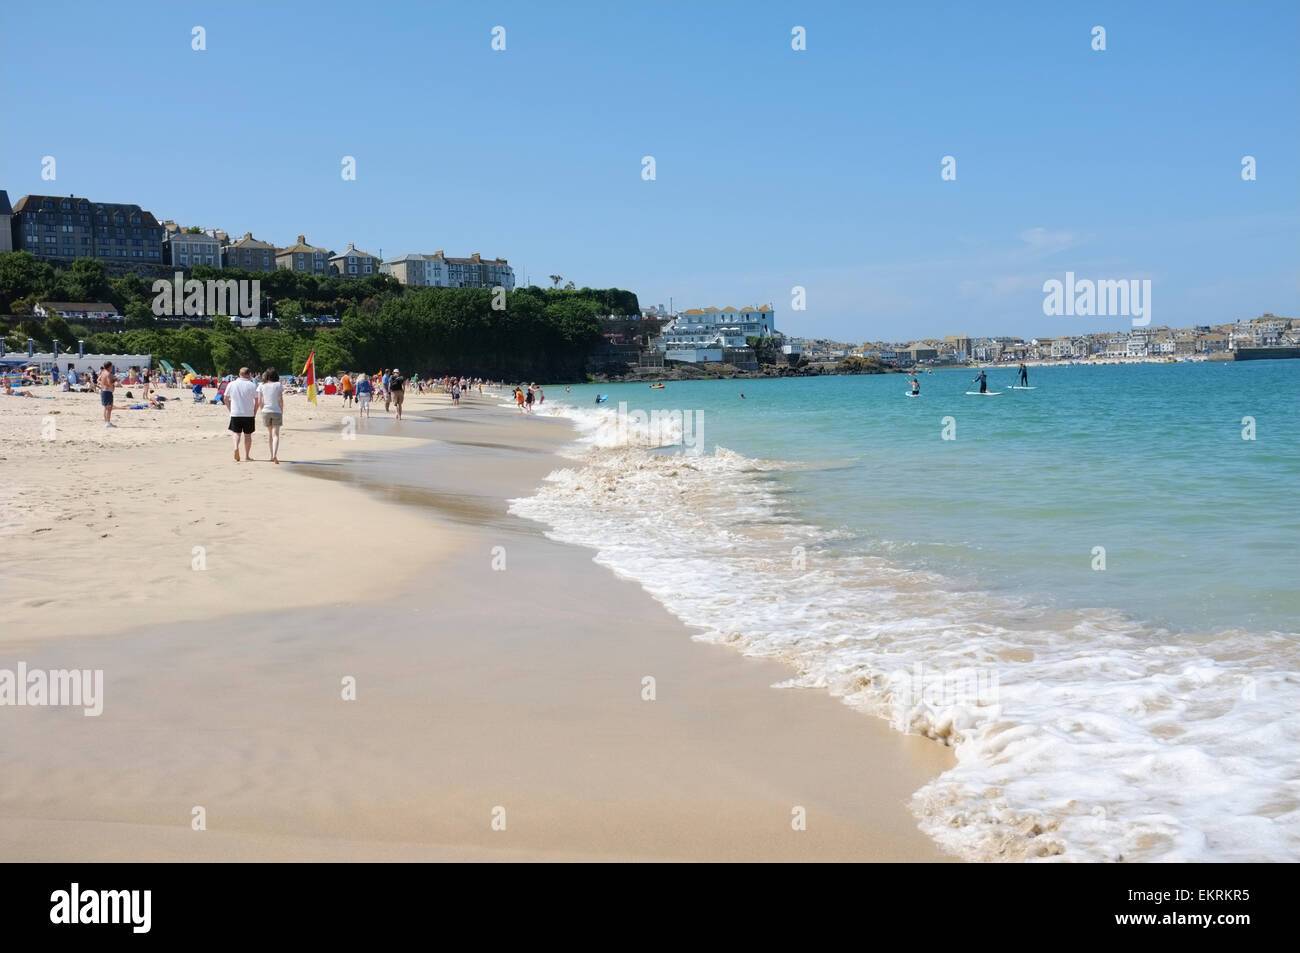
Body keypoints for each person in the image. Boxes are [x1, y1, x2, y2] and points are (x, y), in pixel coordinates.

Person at [224, 366, 260, 462]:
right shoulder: (252, 385)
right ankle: (247, 456)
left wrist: (230, 410)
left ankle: (236, 447)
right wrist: (254, 412)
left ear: (239, 374)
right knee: (248, 435)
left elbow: (225, 399)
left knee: (236, 433)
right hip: (248, 413)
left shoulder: (232, 384)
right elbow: (257, 401)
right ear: (249, 374)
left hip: (236, 413)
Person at [258, 367, 284, 464]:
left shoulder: (261, 385)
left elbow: (260, 401)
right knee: (276, 434)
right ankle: (274, 455)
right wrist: (281, 410)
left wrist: (262, 410)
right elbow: (280, 400)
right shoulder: (278, 385)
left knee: (270, 434)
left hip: (266, 410)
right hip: (276, 410)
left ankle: (271, 456)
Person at [98, 362, 116, 427]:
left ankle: (106, 422)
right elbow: (109, 383)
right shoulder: (108, 374)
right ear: (109, 367)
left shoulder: (102, 372)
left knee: (106, 408)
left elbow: (99, 380)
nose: (112, 368)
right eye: (111, 366)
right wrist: (115, 380)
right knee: (109, 408)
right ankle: (108, 422)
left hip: (103, 391)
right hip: (107, 392)